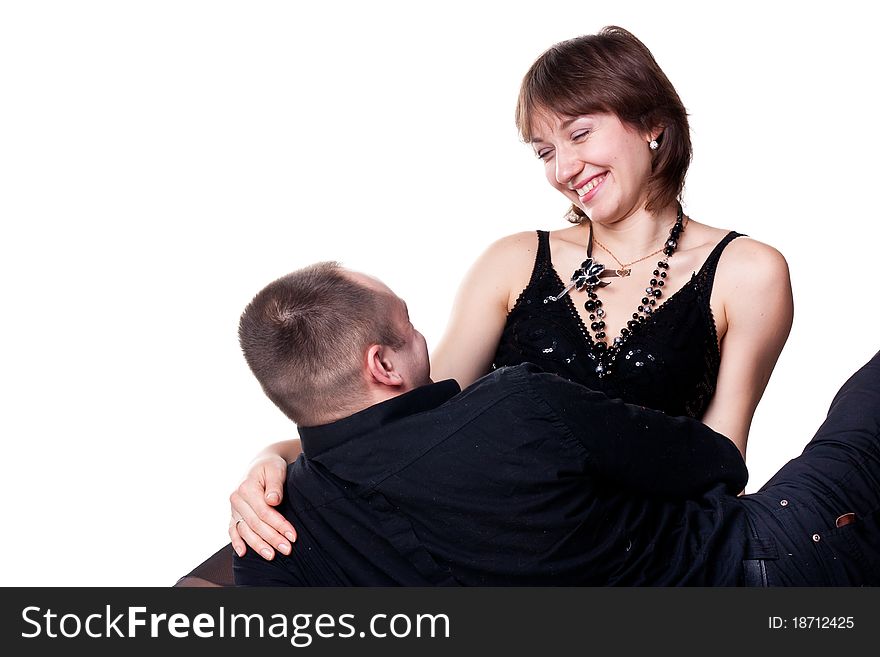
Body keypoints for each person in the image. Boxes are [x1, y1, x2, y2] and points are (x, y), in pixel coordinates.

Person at [175, 27, 793, 585]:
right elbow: (413, 419)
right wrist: (271, 457)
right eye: (544, 151)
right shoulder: (514, 259)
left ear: (652, 121)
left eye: (579, 133)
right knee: (226, 582)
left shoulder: (748, 272)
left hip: (639, 555)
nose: (565, 168)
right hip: (494, 547)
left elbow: (722, 455)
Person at [232, 262, 878, 586]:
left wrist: (275, 453)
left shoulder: (273, 532)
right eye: (409, 326)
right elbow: (714, 464)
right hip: (762, 565)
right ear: (383, 363)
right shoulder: (515, 403)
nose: (423, 337)